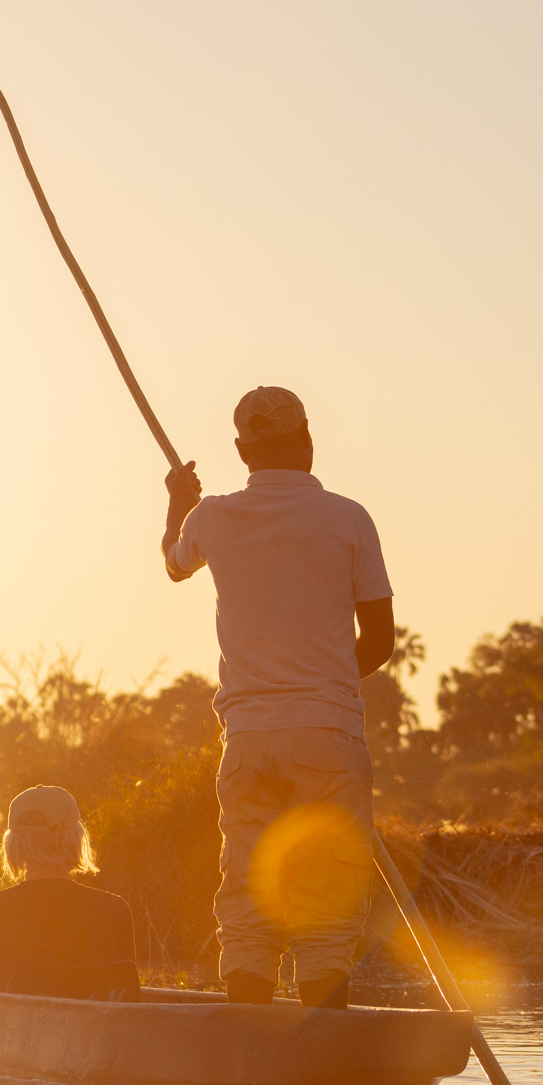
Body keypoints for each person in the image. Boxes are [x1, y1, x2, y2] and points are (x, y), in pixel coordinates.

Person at [162, 386, 395, 1009]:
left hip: (248, 742)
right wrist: (327, 686)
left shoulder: (207, 517)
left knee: (247, 904)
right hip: (327, 736)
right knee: (325, 911)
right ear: (308, 439)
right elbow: (380, 639)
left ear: (242, 451)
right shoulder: (350, 518)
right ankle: (321, 1067)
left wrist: (176, 508)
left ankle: (251, 1065)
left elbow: (173, 566)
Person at [0, 786, 138, 999]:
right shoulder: (114, 910)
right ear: (76, 839)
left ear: (12, 844)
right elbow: (125, 998)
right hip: (92, 1031)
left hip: (13, 1031)